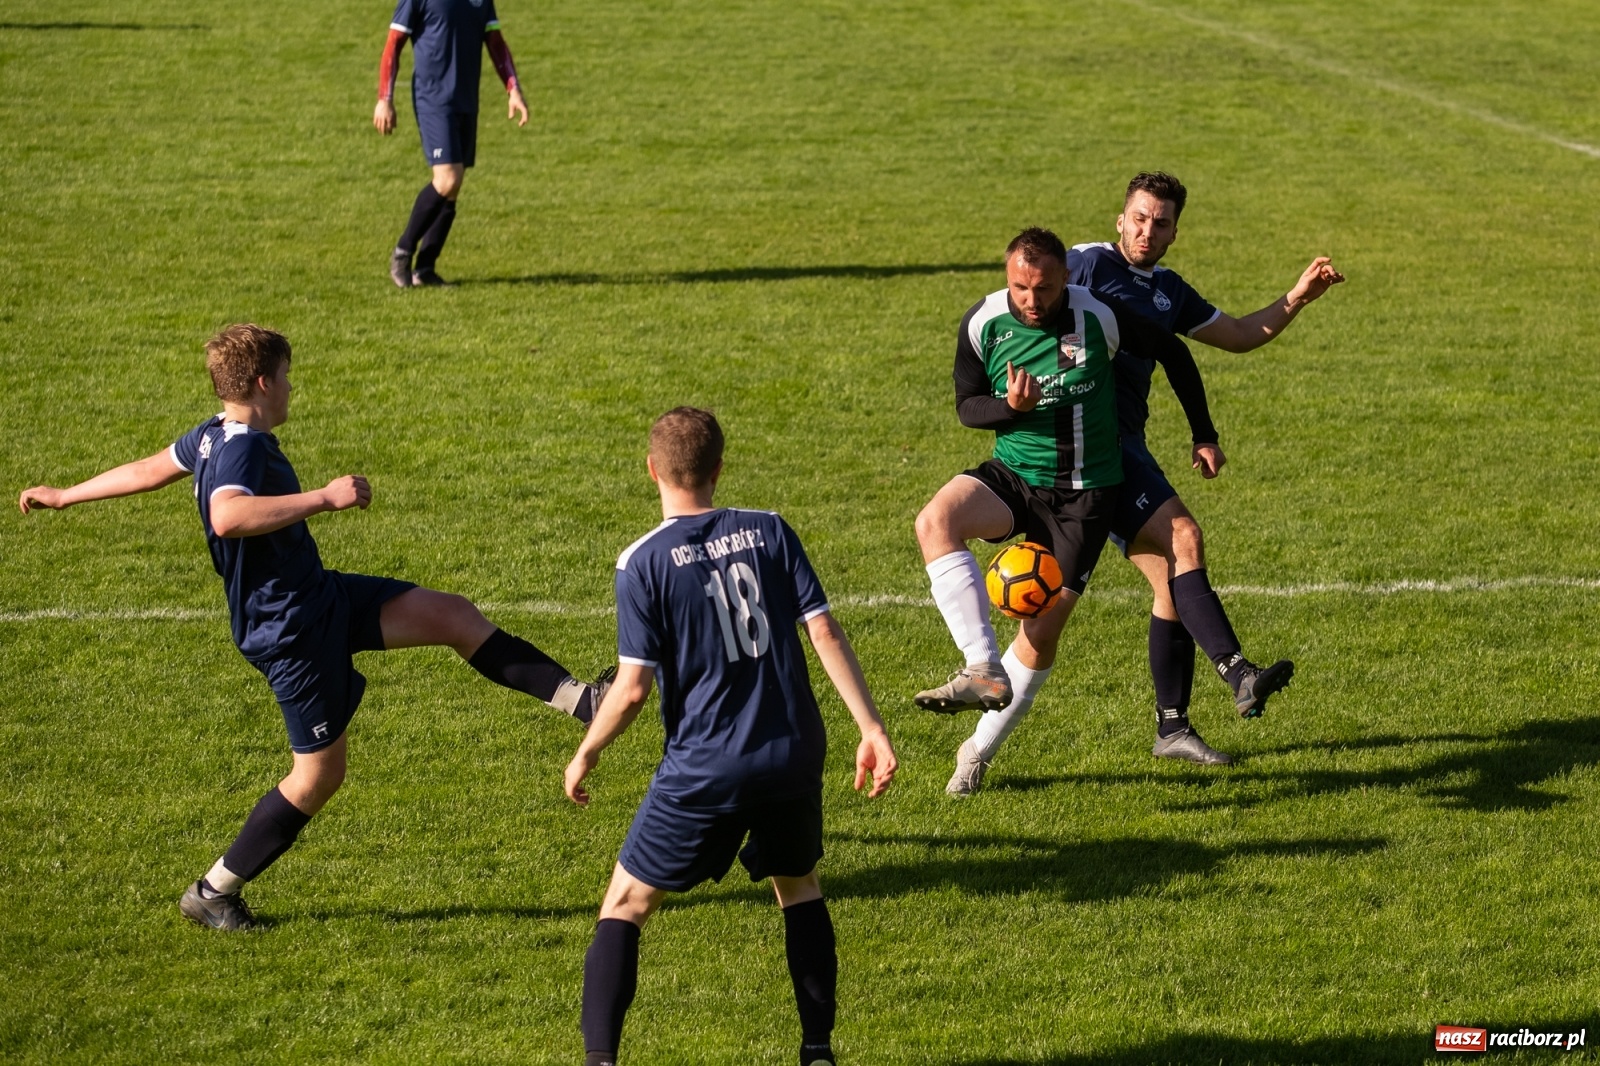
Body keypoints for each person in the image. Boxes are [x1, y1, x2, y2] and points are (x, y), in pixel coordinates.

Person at [18, 324, 608, 930]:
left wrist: (66, 495)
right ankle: (214, 891)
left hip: (316, 595)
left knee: (451, 614)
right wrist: (324, 498)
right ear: (263, 382)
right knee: (318, 777)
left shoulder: (210, 435)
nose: (292, 388)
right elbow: (228, 516)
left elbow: (147, 468)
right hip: (291, 631)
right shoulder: (242, 447)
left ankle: (583, 701)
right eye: (288, 376)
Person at [565, 407, 897, 1066]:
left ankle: (601, 1061)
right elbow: (824, 632)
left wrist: (586, 751)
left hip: (705, 768)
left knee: (626, 903)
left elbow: (632, 689)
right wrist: (871, 727)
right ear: (720, 468)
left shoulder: (643, 562)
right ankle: (818, 1050)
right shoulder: (770, 530)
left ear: (653, 470)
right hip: (792, 752)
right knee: (798, 885)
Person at [912, 228, 1220, 797]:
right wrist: (1010, 406)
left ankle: (976, 751)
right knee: (935, 521)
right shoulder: (982, 322)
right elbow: (966, 407)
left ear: (1064, 279)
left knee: (1041, 631)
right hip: (1016, 475)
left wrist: (1203, 432)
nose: (1032, 300)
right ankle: (981, 666)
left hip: (1083, 497)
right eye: (1020, 287)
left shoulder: (1097, 315)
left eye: (1045, 288)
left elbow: (1174, 350)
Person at [1067, 171, 1345, 765]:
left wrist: (1297, 297)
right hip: (1086, 447)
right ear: (1120, 219)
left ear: (1174, 233)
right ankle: (1239, 672)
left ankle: (1172, 727)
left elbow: (1242, 334)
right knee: (1184, 538)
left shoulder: (1169, 290)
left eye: (1160, 223)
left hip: (1128, 447)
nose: (1147, 230)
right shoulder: (1085, 263)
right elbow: (1027, 297)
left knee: (1172, 577)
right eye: (1138, 218)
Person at [374, 0, 529, 287]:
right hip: (433, 100)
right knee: (447, 179)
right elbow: (394, 41)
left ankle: (425, 269)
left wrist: (513, 89)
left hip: (466, 100)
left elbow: (495, 42)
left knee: (454, 187)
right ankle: (402, 252)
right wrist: (385, 99)